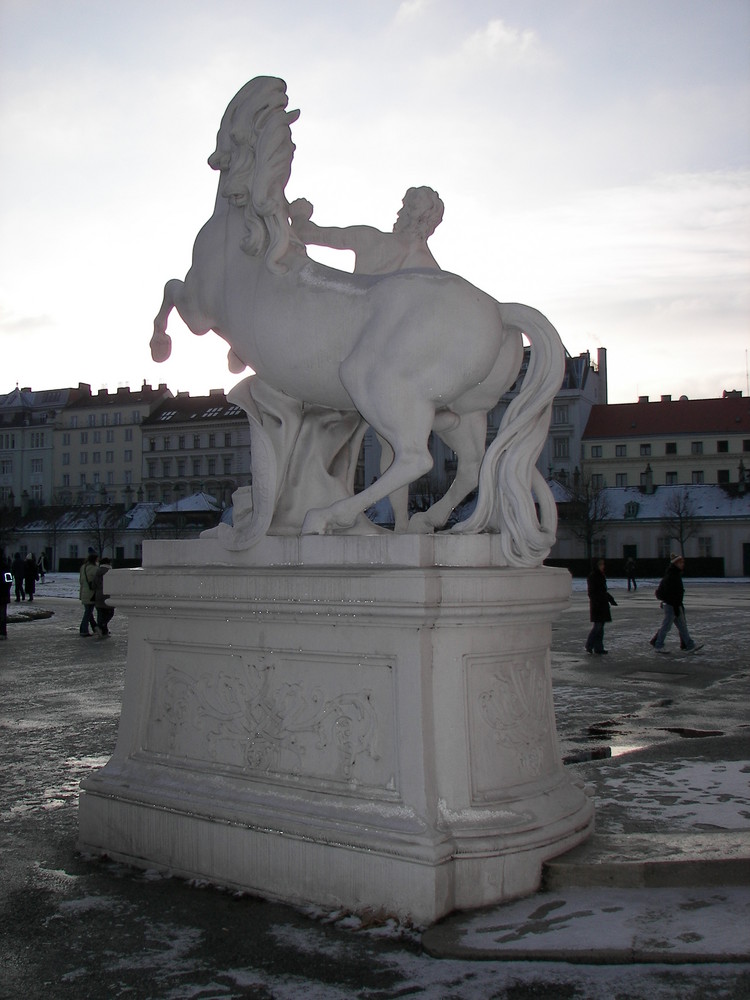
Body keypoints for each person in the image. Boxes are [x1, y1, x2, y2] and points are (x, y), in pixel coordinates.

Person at [288, 186, 444, 275]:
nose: (399, 213)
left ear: (411, 213)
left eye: (404, 208)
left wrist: (299, 215)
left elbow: (305, 234)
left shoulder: (371, 239)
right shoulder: (434, 273)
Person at [650, 553, 703, 654]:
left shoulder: (673, 574)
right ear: (676, 563)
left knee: (681, 626)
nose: (683, 564)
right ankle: (659, 645)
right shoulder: (672, 575)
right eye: (681, 562)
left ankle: (689, 645)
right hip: (672, 605)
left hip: (674, 605)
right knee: (667, 626)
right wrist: (674, 605)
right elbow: (671, 592)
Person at [585, 558, 617, 655]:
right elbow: (593, 592)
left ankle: (598, 647)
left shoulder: (600, 576)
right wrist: (599, 601)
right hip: (598, 605)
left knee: (600, 627)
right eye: (601, 564)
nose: (603, 566)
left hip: (601, 604)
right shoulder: (594, 576)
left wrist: (610, 600)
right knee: (598, 626)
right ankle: (589, 645)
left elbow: (603, 591)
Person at [92, 557, 115, 637]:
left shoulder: (97, 572)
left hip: (98, 595)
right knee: (110, 613)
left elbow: (93, 585)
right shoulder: (111, 572)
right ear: (108, 563)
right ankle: (101, 626)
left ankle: (103, 631)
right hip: (108, 595)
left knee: (100, 613)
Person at [79, 551, 99, 636]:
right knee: (88, 613)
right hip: (91, 593)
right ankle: (83, 630)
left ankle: (95, 628)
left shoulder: (83, 567)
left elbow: (81, 580)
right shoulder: (95, 568)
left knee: (89, 612)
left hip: (83, 591)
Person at [0, 555, 11, 639]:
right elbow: (9, 581)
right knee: (2, 615)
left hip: (3, 594)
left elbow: (8, 582)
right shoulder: (5, 568)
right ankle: (3, 633)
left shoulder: (5, 568)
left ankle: (3, 633)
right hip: (4, 595)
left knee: (2, 615)